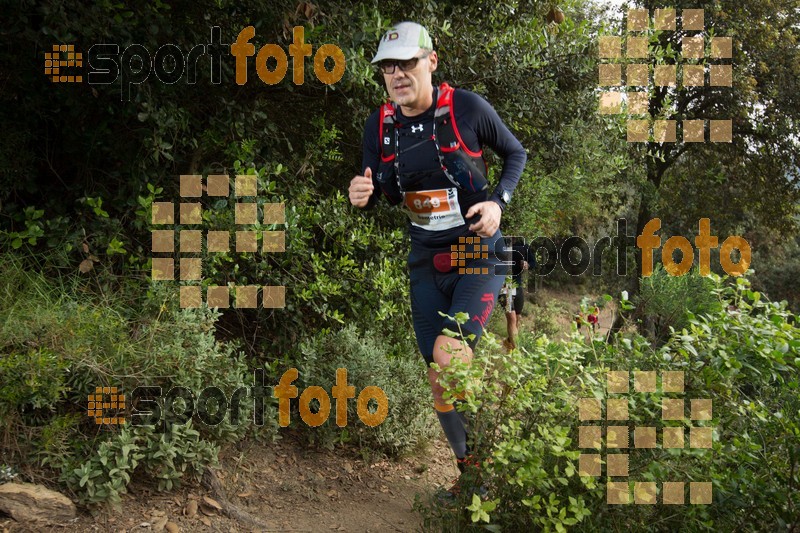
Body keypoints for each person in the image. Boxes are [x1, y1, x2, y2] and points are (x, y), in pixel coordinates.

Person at [348, 22, 527, 496]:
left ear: (431, 61)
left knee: (450, 356)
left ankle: (497, 451)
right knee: (438, 377)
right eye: (388, 67)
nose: (397, 74)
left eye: (406, 62)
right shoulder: (380, 126)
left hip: (474, 249)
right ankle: (474, 474)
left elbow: (515, 153)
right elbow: (383, 190)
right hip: (425, 259)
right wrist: (361, 193)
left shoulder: (465, 108)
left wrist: (497, 203)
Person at [498, 237, 535, 349]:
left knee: (517, 318)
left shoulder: (523, 244)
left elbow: (533, 262)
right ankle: (517, 352)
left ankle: (509, 343)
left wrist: (527, 265)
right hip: (504, 286)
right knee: (512, 318)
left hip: (517, 286)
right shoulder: (499, 242)